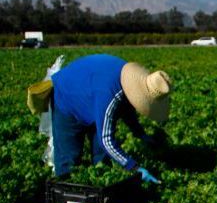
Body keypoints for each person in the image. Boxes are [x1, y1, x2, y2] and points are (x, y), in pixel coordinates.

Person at [48, 54, 170, 182]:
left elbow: (127, 110)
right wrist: (134, 167)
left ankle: (100, 188)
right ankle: (66, 194)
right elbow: (106, 140)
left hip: (92, 93)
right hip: (67, 97)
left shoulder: (129, 82)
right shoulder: (110, 93)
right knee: (69, 159)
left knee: (102, 159)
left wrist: (140, 134)